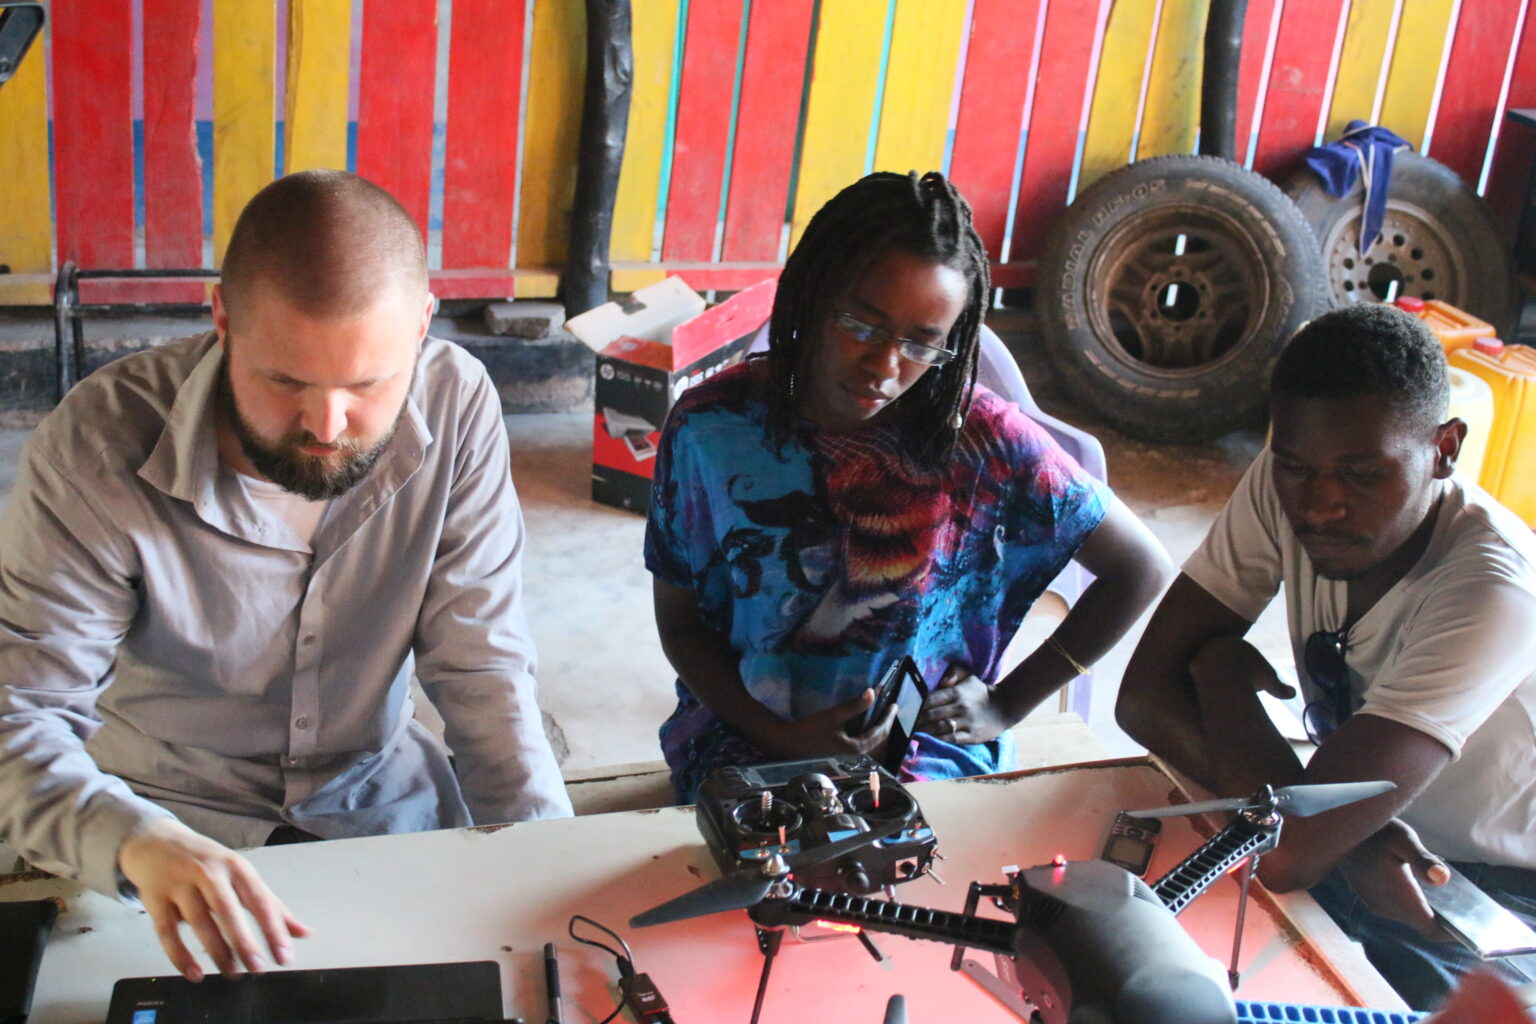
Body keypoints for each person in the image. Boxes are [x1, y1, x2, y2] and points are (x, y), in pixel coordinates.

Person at [0, 170, 571, 982]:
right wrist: (130, 839)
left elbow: (483, 668)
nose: (326, 425)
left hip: (382, 806)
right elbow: (20, 717)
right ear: (223, 320)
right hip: (165, 826)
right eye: (285, 381)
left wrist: (555, 868)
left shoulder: (456, 403)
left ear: (421, 328)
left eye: (367, 384)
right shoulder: (96, 447)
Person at [645, 171, 1171, 802]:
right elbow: (681, 625)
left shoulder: (979, 441)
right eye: (862, 326)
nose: (885, 367)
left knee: (913, 851)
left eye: (923, 345)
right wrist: (780, 737)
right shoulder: (710, 425)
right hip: (745, 732)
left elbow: (1140, 568)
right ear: (813, 292)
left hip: (921, 747)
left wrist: (1007, 705)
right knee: (753, 846)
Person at [1116, 303, 1536, 1010]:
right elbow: (1142, 698)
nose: (1319, 505)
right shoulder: (1284, 482)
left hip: (1479, 889)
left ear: (1445, 449)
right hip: (1360, 838)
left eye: (1364, 473)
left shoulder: (1494, 591)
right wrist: (1342, 840)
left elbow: (1286, 855)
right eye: (1295, 467)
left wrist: (1220, 673)